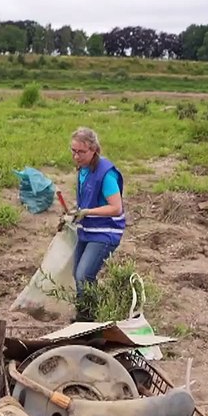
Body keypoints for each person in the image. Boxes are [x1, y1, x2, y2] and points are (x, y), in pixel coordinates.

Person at [66, 127, 126, 321]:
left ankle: (88, 322)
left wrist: (87, 212)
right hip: (87, 230)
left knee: (84, 275)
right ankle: (84, 317)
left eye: (81, 152)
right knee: (78, 275)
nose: (76, 156)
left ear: (93, 149)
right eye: (73, 151)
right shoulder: (83, 169)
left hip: (105, 232)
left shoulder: (106, 173)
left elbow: (116, 207)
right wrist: (75, 211)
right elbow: (90, 199)